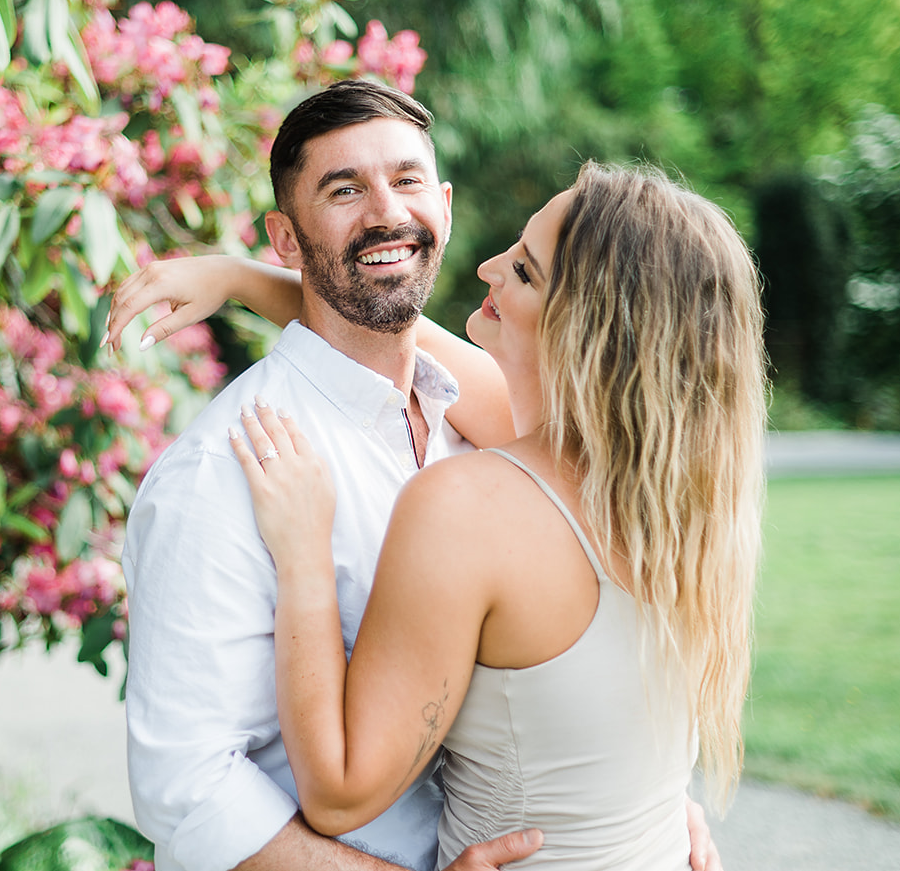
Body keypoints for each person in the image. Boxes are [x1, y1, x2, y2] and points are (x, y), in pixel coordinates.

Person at [109, 80, 723, 871]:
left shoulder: (484, 421)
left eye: (405, 181)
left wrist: (640, 798)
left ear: (444, 202)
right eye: (343, 189)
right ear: (287, 239)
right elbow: (188, 793)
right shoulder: (224, 469)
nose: (386, 212)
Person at [225, 163, 765, 867]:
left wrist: (303, 555)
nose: (486, 265)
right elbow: (395, 342)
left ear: (587, 332)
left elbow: (339, 790)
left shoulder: (468, 507)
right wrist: (239, 280)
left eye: (525, 271)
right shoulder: (681, 498)